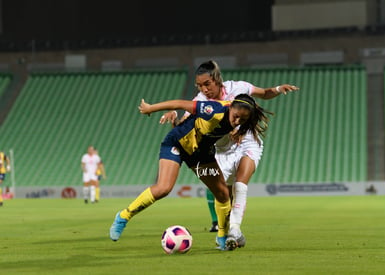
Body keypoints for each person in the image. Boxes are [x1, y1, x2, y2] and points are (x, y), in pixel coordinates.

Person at [160, 60, 299, 250]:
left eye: (206, 84)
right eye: (199, 86)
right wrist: (174, 119)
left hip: (246, 141)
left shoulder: (238, 87)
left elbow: (264, 93)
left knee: (241, 184)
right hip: (222, 150)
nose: (204, 89)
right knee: (223, 194)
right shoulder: (199, 101)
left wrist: (277, 88)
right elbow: (185, 127)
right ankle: (229, 233)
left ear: (217, 79)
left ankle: (233, 230)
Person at [109, 93, 272, 250]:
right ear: (231, 108)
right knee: (164, 188)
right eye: (236, 116)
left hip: (200, 154)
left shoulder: (240, 121)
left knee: (222, 194)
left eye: (242, 120)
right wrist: (151, 108)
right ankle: (123, 216)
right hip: (177, 143)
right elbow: (181, 104)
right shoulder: (213, 110)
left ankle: (221, 236)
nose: (237, 121)